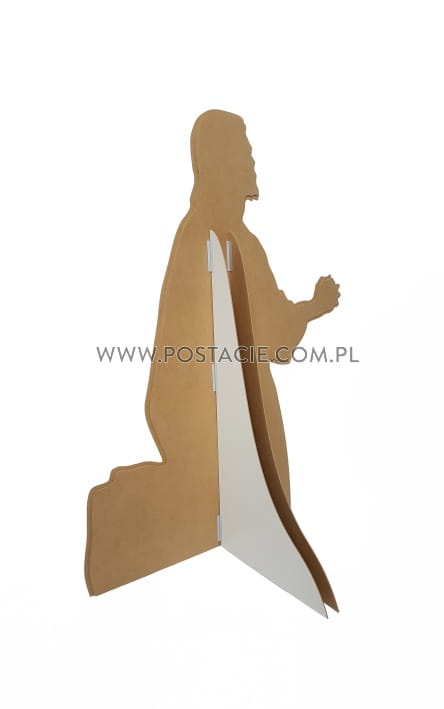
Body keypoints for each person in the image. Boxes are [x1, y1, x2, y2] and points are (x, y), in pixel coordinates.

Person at [85, 110, 339, 610]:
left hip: (244, 406)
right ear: (220, 160)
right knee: (203, 502)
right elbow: (192, 344)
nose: (252, 160)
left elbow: (273, 336)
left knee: (255, 498)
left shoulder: (242, 243)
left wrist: (313, 306)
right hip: (200, 414)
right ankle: (122, 513)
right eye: (243, 150)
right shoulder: (200, 237)